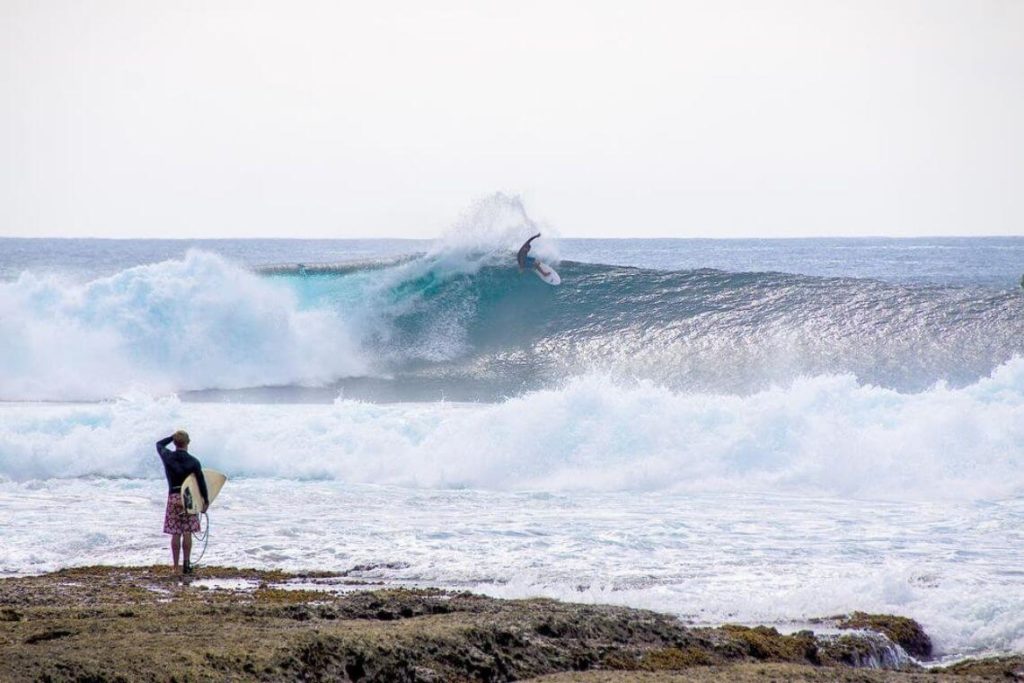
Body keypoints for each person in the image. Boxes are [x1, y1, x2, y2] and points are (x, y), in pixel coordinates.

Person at [156, 430, 208, 575]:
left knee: (175, 533)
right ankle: (186, 564)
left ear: (175, 442)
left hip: (173, 496)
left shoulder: (168, 457)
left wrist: (171, 438)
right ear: (188, 443)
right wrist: (205, 500)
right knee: (187, 532)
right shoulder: (194, 461)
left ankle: (175, 567)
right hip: (188, 498)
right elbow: (201, 482)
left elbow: (159, 444)